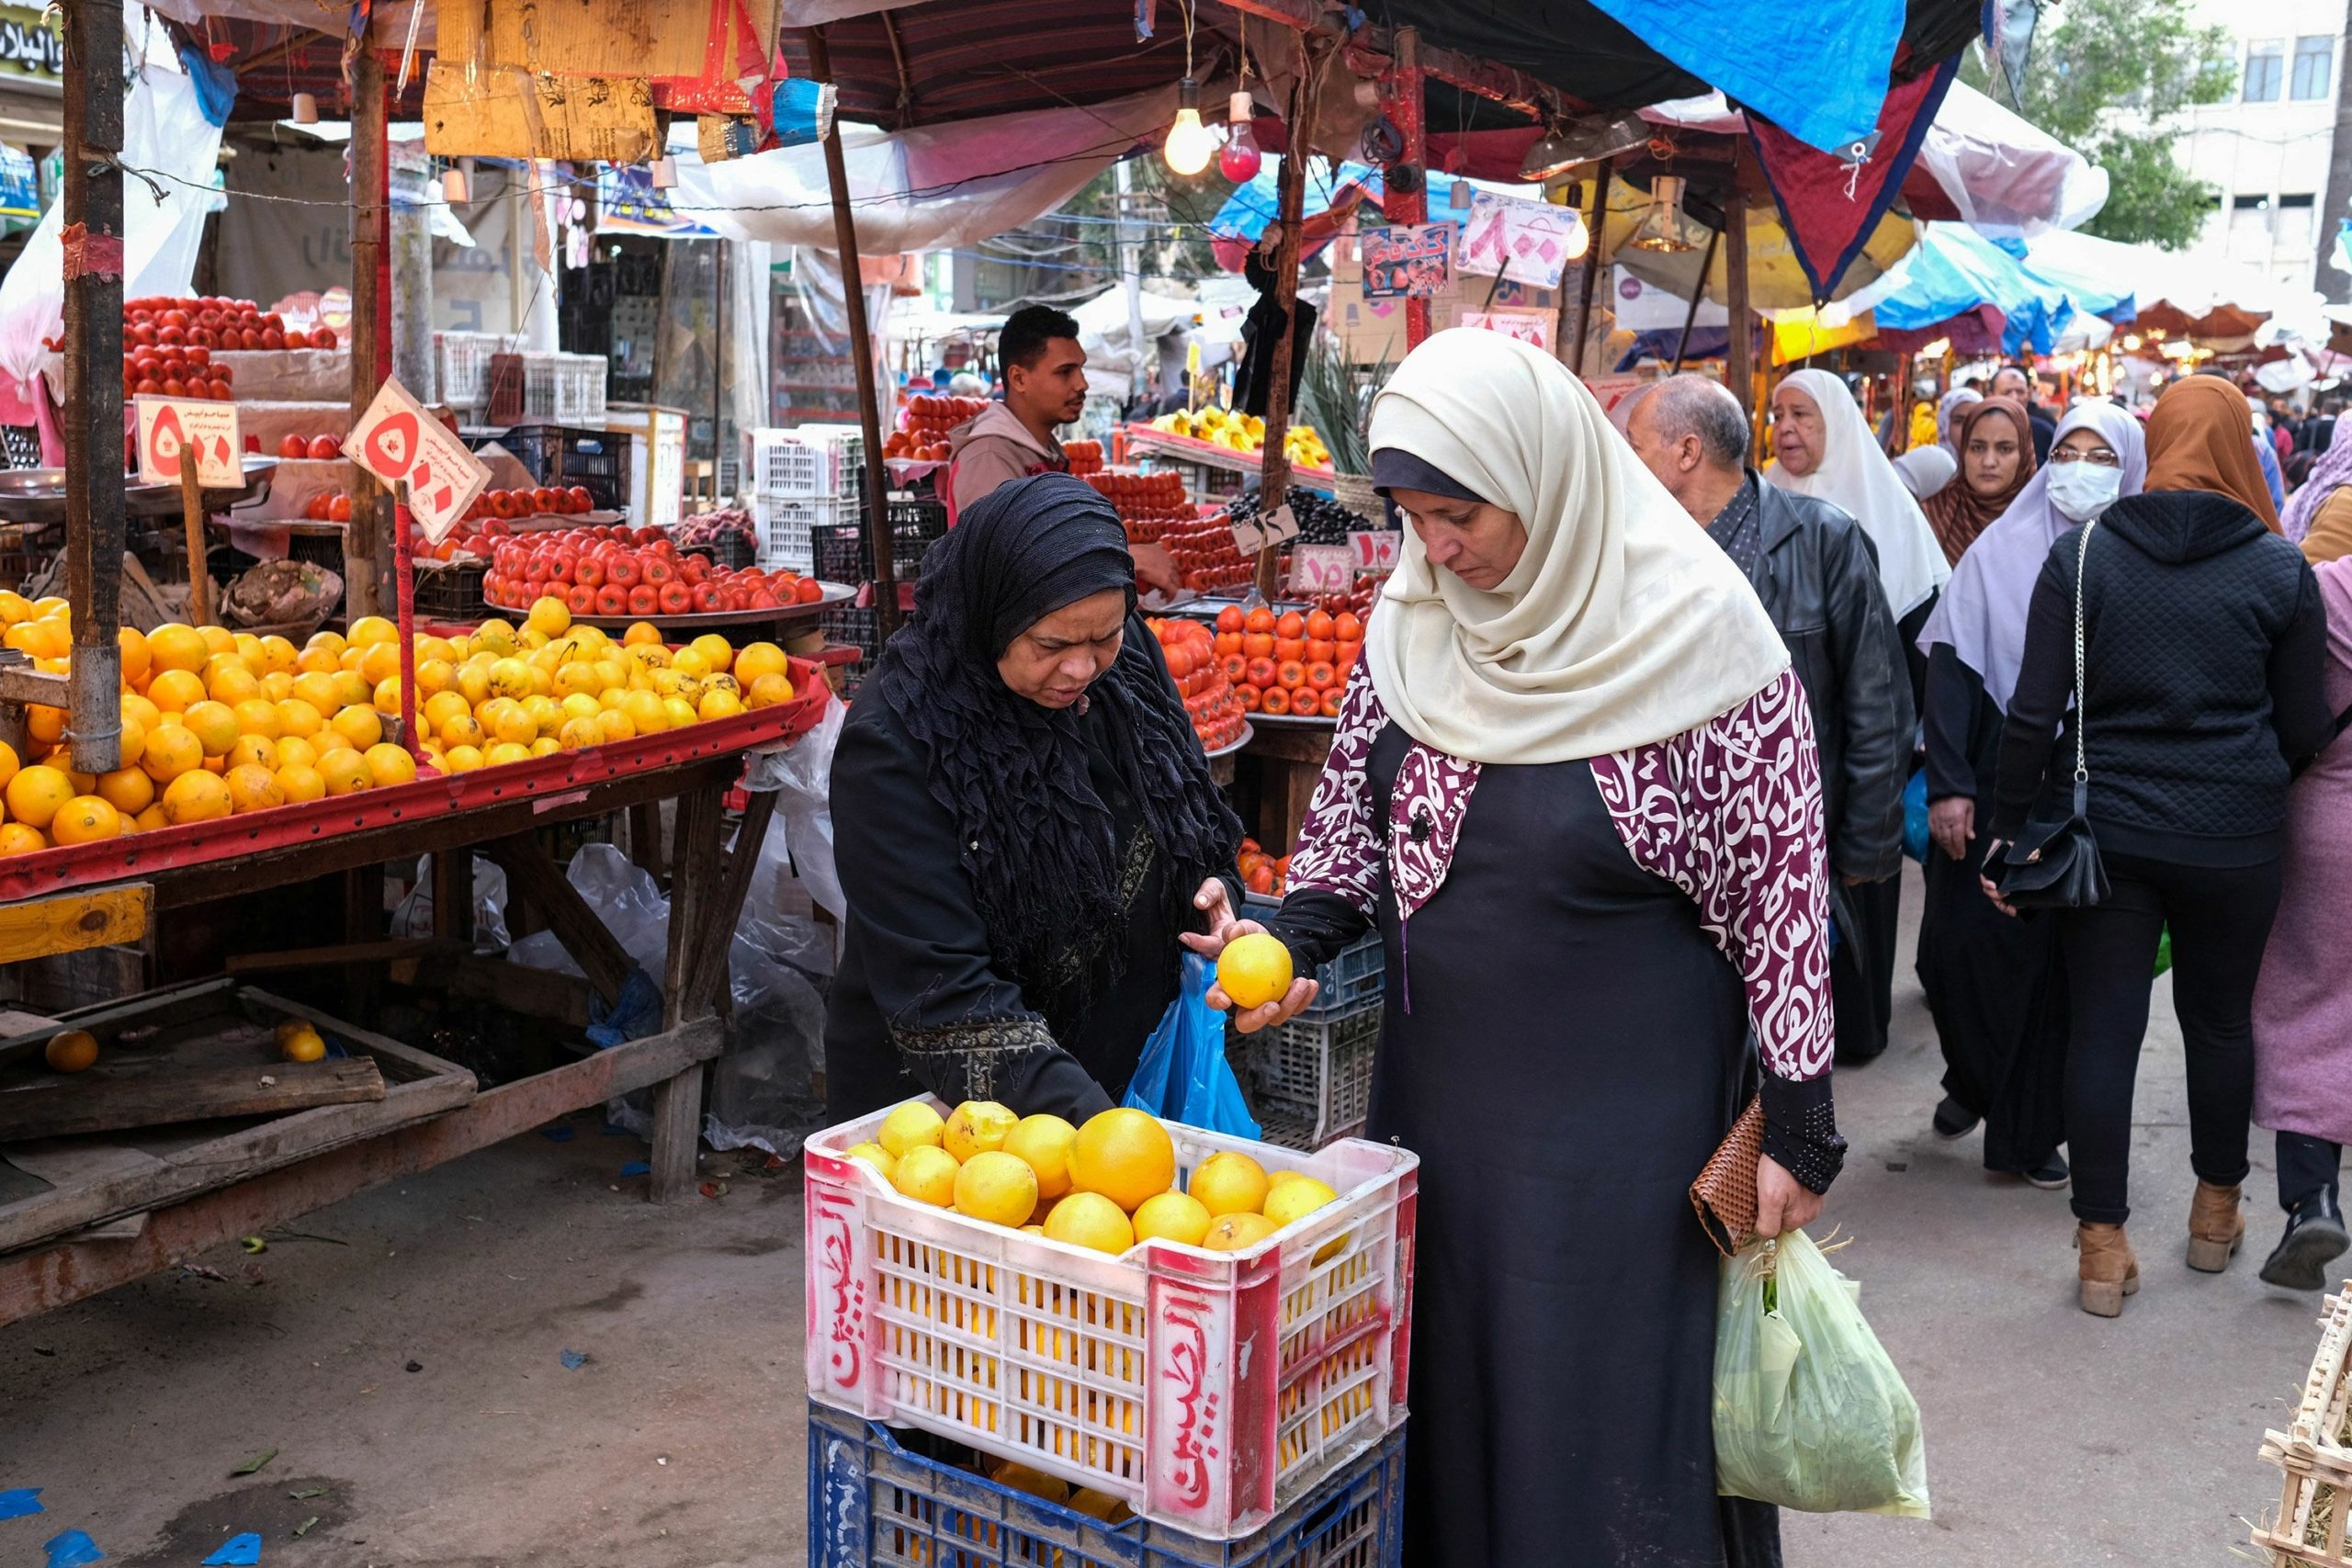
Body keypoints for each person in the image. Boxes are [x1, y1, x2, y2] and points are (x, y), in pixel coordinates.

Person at [1190, 331, 1843, 1567]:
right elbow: (1346, 844)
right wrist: (1284, 940)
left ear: (1545, 480)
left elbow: (1783, 900)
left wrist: (1800, 1120)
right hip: (1440, 1106)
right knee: (1452, 1383)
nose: (1436, 548)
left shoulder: (1705, 640)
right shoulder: (1414, 624)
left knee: (1604, 1407)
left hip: (1629, 1139)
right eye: (1411, 517)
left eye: (1461, 514)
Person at [1989, 376, 2333, 1316]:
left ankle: (2101, 1248)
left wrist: (2006, 830)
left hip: (2108, 836)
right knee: (2220, 1023)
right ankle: (2215, 1215)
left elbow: (2031, 712)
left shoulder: (2084, 554)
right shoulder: (2279, 568)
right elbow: (2305, 724)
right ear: (2239, 447)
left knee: (2103, 1029)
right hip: (2235, 839)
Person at [823, 473, 1245, 1122]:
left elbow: (1190, 810)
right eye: (1051, 645)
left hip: (1122, 1080)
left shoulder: (1125, 659)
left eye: (1104, 636)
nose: (1082, 668)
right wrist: (1103, 1131)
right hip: (955, 1120)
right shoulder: (897, 741)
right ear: (989, 617)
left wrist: (1218, 895)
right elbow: (943, 992)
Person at [1629, 374, 1915, 1066]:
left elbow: (1878, 703)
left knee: (1784, 1041)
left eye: (1634, 446)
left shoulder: (1823, 539)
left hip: (1792, 844)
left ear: (1686, 451)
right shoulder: (1638, 548)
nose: (1623, 463)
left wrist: (1862, 850)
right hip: (1675, 848)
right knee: (1695, 1039)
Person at [1915, 403, 2147, 1190]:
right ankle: (1974, 1077)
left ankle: (2028, 1129)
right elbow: (1951, 672)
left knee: (2053, 975)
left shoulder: (2138, 561)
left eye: (2102, 457)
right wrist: (1949, 787)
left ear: (2131, 468)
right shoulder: (1997, 553)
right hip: (1991, 781)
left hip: (2089, 789)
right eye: (2068, 452)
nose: (2081, 470)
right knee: (1954, 954)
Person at [2252, 529, 2352, 1289]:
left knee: (2306, 1005)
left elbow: (2291, 715)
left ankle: (2312, 1197)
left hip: (2328, 827)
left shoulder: (2327, 592)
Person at [946, 305, 1086, 520]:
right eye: (1065, 372)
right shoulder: (989, 458)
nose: (1082, 384)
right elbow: (998, 542)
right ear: (1019, 379)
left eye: (1081, 369)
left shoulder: (1038, 450)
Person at [1922, 395, 2038, 565]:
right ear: (1963, 451)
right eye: (1977, 448)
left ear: (2024, 455)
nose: (1989, 462)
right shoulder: (1934, 514)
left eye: (2005, 449)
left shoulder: (2044, 521)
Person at [1992, 365, 2056, 464]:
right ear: (1992, 396)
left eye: (2020, 392)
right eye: (2007, 392)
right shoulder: (1981, 431)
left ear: (2029, 394)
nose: (2015, 398)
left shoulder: (2044, 432)